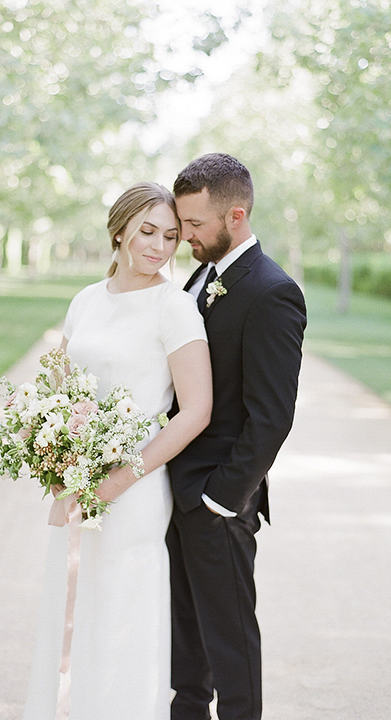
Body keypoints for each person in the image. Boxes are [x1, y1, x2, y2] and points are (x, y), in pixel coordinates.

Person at [22, 182, 212, 720]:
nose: (158, 246)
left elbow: (196, 411)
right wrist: (52, 455)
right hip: (76, 479)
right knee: (73, 607)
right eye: (147, 231)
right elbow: (56, 385)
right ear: (120, 229)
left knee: (123, 615)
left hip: (136, 487)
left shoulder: (174, 309)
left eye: (171, 236)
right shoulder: (86, 299)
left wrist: (120, 478)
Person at [166, 153, 307, 720]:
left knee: (230, 644)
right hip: (178, 489)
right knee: (187, 644)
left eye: (195, 225)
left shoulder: (272, 292)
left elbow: (271, 416)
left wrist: (221, 500)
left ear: (237, 216)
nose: (185, 237)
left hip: (218, 501)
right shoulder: (201, 274)